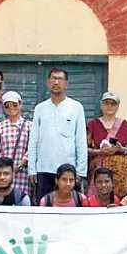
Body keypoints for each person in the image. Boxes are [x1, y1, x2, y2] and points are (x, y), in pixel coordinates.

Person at [28, 67, 88, 201]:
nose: (56, 82)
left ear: (66, 84)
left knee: (71, 209)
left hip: (68, 171)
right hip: (44, 169)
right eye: (53, 79)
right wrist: (32, 169)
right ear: (48, 82)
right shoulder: (40, 108)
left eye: (60, 79)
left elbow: (81, 141)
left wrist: (80, 171)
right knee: (44, 209)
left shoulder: (76, 107)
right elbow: (33, 141)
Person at [0, 91, 32, 197]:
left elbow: (32, 149)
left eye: (14, 105)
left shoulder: (29, 126)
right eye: (7, 106)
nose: (11, 108)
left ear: (20, 104)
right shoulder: (0, 126)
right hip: (2, 172)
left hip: (22, 173)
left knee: (20, 200)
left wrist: (20, 164)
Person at [87, 92, 127, 198]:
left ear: (118, 106)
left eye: (113, 104)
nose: (109, 106)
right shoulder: (92, 125)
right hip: (101, 173)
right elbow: (84, 148)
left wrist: (121, 149)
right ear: (101, 105)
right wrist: (99, 152)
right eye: (106, 103)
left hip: (122, 175)